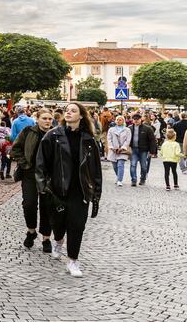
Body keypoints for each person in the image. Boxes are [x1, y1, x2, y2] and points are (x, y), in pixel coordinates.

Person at [36, 102, 102, 278]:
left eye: (74, 110)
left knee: (77, 225)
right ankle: (58, 241)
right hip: (57, 190)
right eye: (67, 110)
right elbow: (41, 163)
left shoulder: (88, 140)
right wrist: (44, 187)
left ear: (81, 116)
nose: (69, 112)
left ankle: (73, 260)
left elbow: (95, 169)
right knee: (58, 224)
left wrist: (96, 194)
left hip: (80, 190)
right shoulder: (53, 136)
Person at [11, 108, 54, 253]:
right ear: (37, 119)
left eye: (49, 118)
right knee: (29, 204)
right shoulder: (28, 131)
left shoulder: (56, 134)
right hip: (29, 174)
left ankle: (46, 238)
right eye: (44, 118)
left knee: (47, 207)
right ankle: (31, 231)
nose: (47, 121)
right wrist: (25, 164)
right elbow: (15, 149)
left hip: (48, 176)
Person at [128, 113, 157, 186]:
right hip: (133, 149)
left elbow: (152, 140)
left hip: (143, 150)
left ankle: (143, 178)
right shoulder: (129, 128)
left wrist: (152, 151)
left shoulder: (147, 128)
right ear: (132, 120)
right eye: (134, 119)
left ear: (141, 119)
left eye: (137, 119)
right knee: (133, 165)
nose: (136, 121)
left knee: (144, 166)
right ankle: (133, 180)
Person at [106, 115, 131, 186]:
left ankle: (120, 180)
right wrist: (112, 148)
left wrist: (122, 147)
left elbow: (128, 140)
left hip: (122, 150)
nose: (118, 121)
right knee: (115, 166)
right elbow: (109, 139)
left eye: (120, 120)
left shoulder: (127, 130)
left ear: (123, 121)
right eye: (117, 120)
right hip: (113, 150)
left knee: (120, 164)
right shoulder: (111, 129)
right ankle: (118, 176)